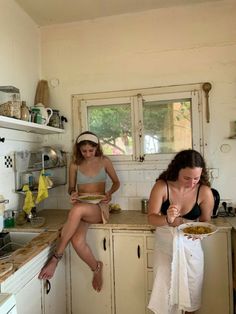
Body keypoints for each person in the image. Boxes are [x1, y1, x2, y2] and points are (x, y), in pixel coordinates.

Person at [38, 131, 120, 292]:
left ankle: (56, 258)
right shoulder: (75, 164)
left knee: (77, 210)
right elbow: (70, 188)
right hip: (81, 207)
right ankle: (96, 268)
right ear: (78, 150)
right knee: (77, 241)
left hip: (99, 208)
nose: (88, 154)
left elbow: (117, 182)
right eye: (84, 151)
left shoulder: (104, 161)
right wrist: (73, 194)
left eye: (91, 150)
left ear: (97, 148)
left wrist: (109, 194)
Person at [147, 149, 214, 314]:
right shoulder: (162, 187)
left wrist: (200, 233)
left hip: (191, 250)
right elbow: (151, 218)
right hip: (165, 248)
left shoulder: (204, 191)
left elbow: (206, 222)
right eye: (187, 178)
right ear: (177, 171)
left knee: (192, 294)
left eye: (196, 178)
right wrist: (168, 219)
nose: (192, 183)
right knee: (165, 294)